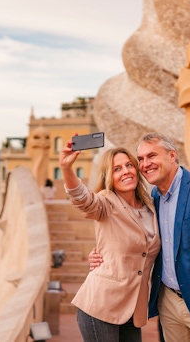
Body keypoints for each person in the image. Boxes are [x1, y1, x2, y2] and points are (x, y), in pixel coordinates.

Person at [90, 133, 190, 342]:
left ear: (172, 155)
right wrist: (100, 253)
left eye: (152, 156)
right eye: (141, 159)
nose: (145, 164)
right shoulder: (153, 199)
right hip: (168, 304)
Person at [59, 136, 161, 342]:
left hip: (133, 308)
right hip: (101, 305)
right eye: (117, 169)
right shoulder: (106, 202)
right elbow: (83, 200)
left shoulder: (151, 205)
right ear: (109, 176)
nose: (125, 172)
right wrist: (67, 169)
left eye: (129, 165)